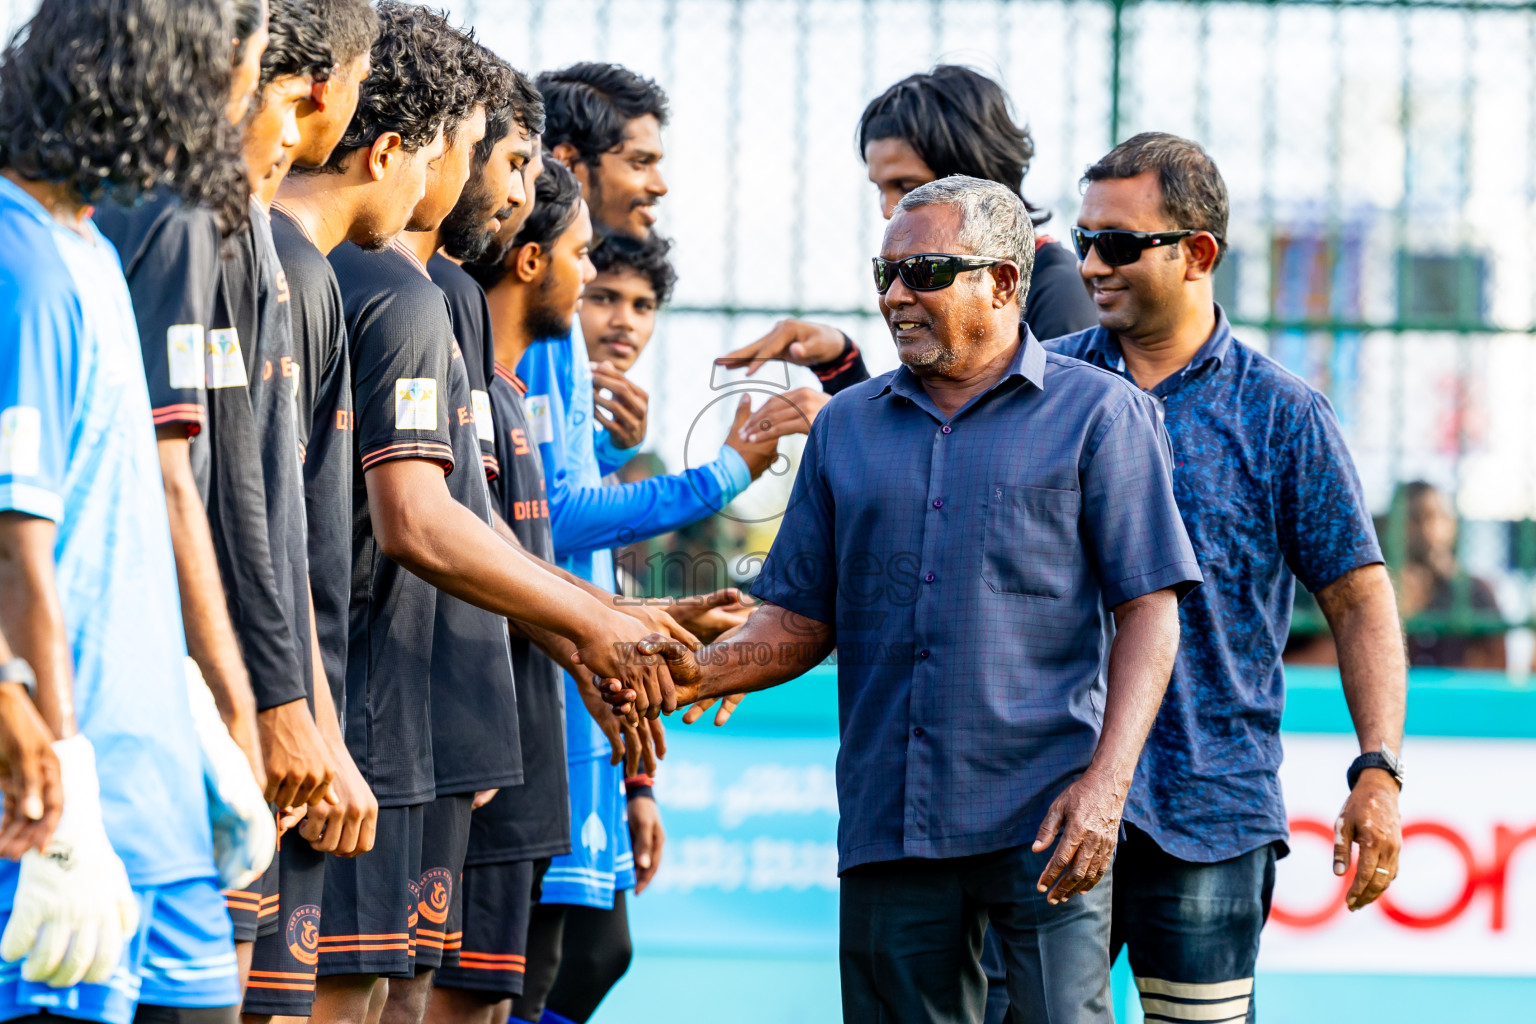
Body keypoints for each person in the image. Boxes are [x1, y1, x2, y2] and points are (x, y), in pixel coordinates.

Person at [604, 175, 1201, 1024]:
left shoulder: (1102, 416)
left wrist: (1107, 789)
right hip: (892, 821)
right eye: (882, 272)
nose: (893, 295)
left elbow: (1152, 610)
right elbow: (801, 616)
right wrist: (694, 673)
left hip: (1046, 817)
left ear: (1001, 280)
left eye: (922, 270)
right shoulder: (846, 428)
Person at [304, 12, 685, 1024]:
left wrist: (590, 629)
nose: (510, 190)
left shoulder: (435, 304)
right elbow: (418, 523)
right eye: (496, 155)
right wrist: (599, 625)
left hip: (428, 726)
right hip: (363, 720)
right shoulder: (384, 289)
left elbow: (483, 528)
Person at [1049, 133, 1407, 1022]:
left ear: (1198, 253)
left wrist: (1380, 772)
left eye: (1120, 244)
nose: (1092, 263)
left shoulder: (1282, 413)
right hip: (1051, 796)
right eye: (1084, 239)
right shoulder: (1045, 388)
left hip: (1210, 810)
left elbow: (1359, 598)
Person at [0, 2, 262, 1022]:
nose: (233, 122)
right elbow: (19, 551)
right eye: (225, 92)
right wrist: (64, 795)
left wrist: (208, 721)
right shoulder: (19, 267)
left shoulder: (91, 253)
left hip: (162, 821)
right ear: (158, 80)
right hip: (63, 816)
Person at [522, 65, 778, 1023]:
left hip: (579, 696)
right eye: (640, 159)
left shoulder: (571, 355)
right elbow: (552, 518)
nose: (658, 182)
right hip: (526, 695)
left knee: (585, 955)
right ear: (567, 162)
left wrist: (635, 773)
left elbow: (573, 535)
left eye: (639, 305)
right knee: (528, 963)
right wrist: (729, 470)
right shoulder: (529, 310)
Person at [720, 65, 1099, 445]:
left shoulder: (1058, 292)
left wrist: (846, 422)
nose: (889, 209)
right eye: (880, 189)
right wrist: (841, 366)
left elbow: (1014, 460)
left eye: (908, 185)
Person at [1394, 480, 1506, 669]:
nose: (1430, 530)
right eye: (1417, 518)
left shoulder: (1475, 591)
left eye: (1441, 517)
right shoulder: (1382, 589)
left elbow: (1496, 667)